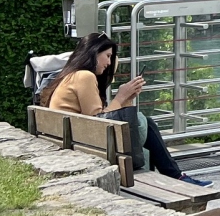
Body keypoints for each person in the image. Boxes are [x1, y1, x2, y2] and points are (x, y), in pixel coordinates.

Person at [43, 32, 210, 186]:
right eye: (108, 56)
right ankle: (176, 176)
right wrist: (121, 97)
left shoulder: (71, 75)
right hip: (84, 144)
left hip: (75, 140)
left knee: (143, 127)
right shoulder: (84, 76)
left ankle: (174, 177)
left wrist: (127, 98)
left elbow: (99, 118)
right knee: (146, 124)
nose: (109, 63)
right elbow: (97, 121)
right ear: (93, 52)